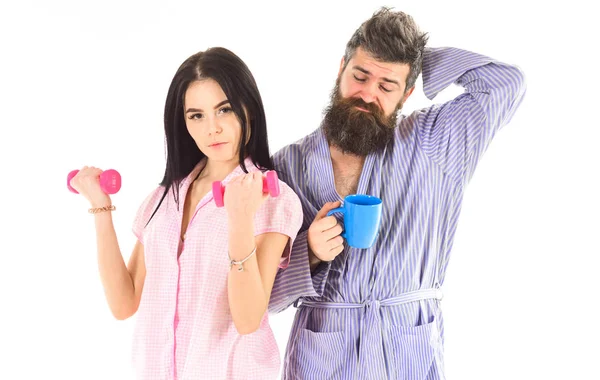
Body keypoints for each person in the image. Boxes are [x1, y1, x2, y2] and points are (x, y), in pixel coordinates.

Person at [268, 7, 526, 380]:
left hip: (408, 353)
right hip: (321, 359)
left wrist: (422, 61)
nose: (368, 94)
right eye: (360, 75)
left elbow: (507, 83)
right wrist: (308, 253)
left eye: (387, 86)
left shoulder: (434, 142)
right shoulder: (285, 167)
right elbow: (261, 297)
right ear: (340, 68)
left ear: (407, 94)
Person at [69, 47, 302, 380]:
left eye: (224, 110)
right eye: (197, 115)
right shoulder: (163, 199)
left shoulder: (273, 200)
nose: (212, 128)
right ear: (184, 124)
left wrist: (239, 220)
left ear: (248, 109)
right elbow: (124, 303)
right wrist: (100, 206)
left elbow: (248, 319)